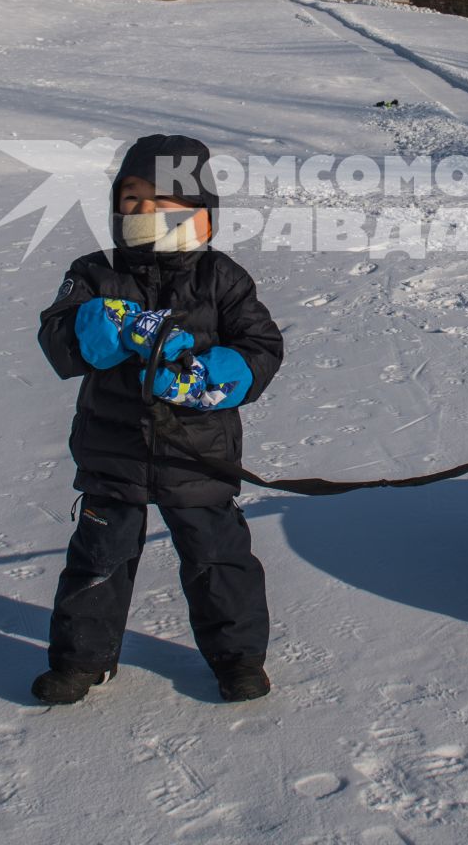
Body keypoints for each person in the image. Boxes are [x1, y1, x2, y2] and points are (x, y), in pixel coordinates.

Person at [32, 133, 284, 705]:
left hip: (197, 452)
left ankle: (238, 658)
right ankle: (82, 661)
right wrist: (108, 325)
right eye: (132, 199)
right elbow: (59, 341)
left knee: (217, 558)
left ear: (197, 208)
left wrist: (215, 376)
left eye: (162, 199)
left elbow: (261, 346)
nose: (145, 212)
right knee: (98, 559)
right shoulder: (95, 271)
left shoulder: (220, 277)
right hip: (113, 449)